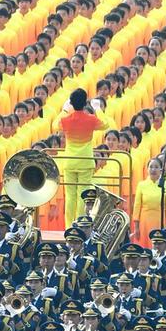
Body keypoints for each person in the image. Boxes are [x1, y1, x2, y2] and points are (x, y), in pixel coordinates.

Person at [60, 89, 108, 227]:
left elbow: (54, 125)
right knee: (83, 195)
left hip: (70, 161)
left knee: (70, 196)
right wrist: (97, 108)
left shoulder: (66, 119)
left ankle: (69, 227)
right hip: (85, 161)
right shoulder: (91, 119)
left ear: (72, 102)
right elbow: (105, 124)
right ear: (85, 102)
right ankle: (79, 225)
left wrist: (65, 109)